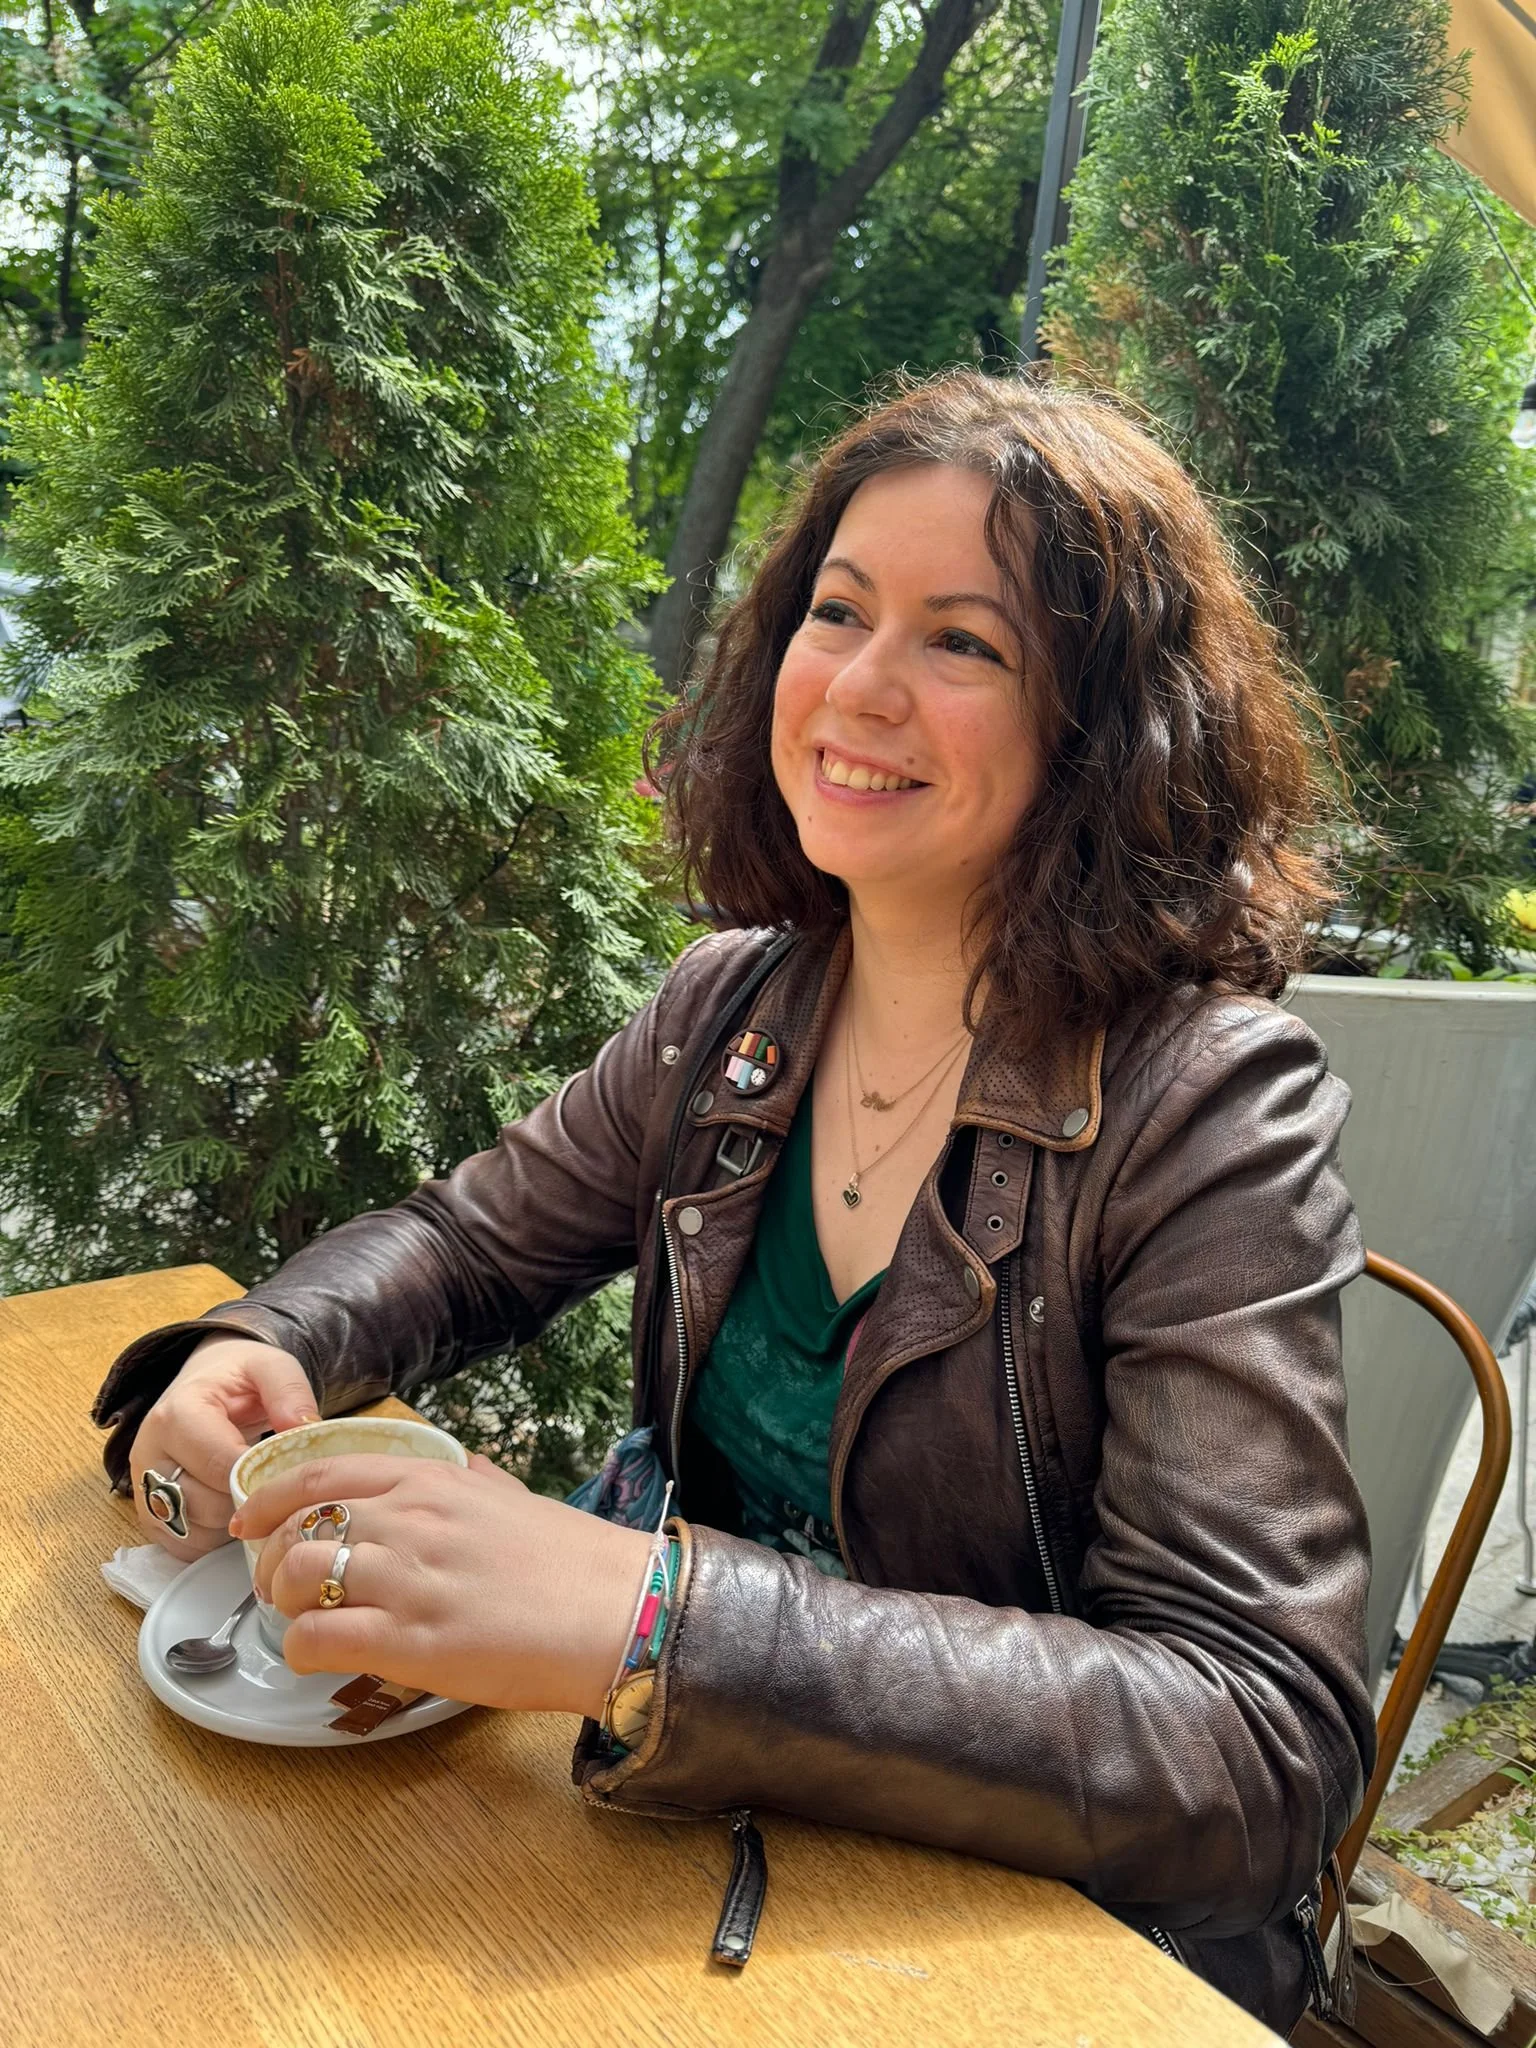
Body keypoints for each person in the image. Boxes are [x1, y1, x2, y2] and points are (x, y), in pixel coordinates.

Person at [95, 371, 1373, 2032]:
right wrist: (258, 1344)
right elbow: (470, 1241)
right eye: (836, 612)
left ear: (1106, 729)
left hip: (1014, 1959)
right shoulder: (733, 1013)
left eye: (962, 643)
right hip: (680, 1846)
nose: (859, 686)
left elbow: (1253, 1744)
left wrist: (647, 1610)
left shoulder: (1208, 1103)